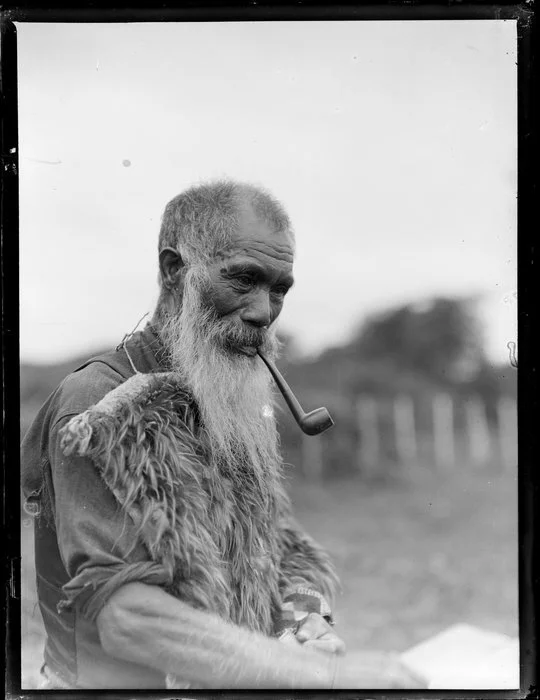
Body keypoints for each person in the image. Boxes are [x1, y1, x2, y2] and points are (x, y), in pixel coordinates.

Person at [21, 180, 424, 690]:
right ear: (175, 270)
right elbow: (127, 619)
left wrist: (305, 622)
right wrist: (314, 672)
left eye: (279, 289)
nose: (263, 312)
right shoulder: (98, 405)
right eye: (243, 279)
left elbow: (279, 545)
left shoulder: (232, 399)